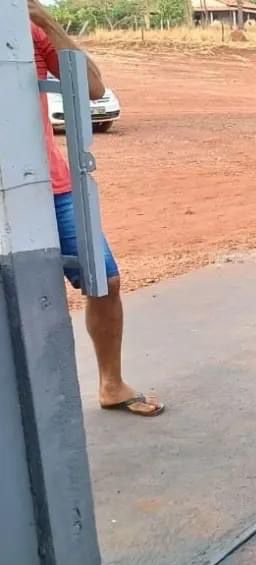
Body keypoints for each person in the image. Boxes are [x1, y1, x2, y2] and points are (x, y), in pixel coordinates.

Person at [29, 0, 164, 417]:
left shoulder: (29, 29)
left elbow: (92, 88)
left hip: (54, 185)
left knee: (104, 279)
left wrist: (38, 15)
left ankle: (111, 383)